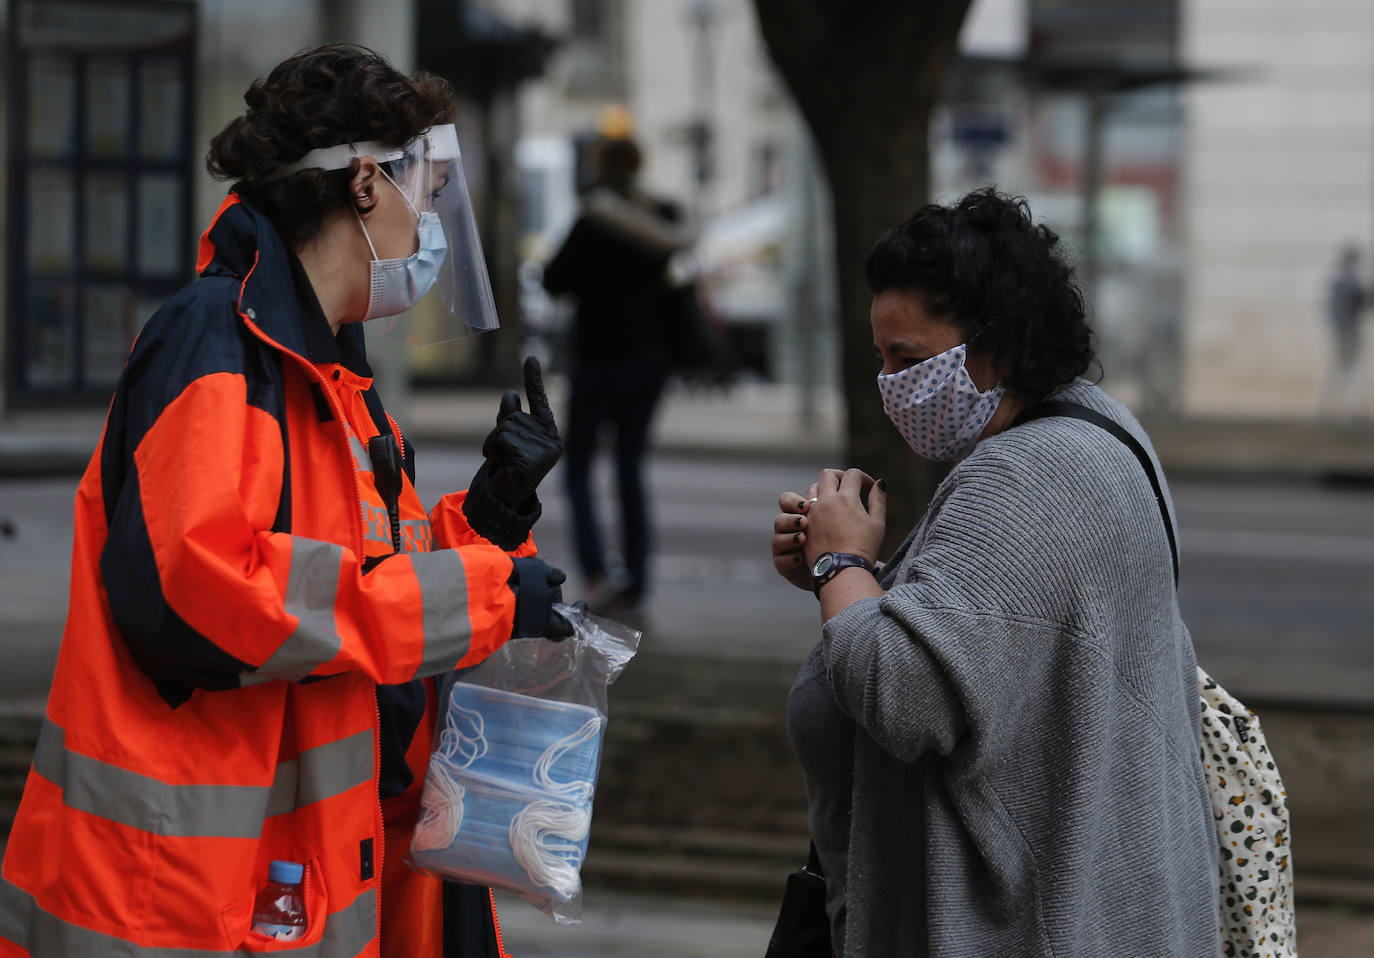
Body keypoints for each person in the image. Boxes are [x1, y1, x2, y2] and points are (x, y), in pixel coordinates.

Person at [0, 44, 569, 957]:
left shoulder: (325, 366)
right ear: (366, 185)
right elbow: (206, 590)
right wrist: (485, 592)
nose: (430, 220)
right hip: (176, 897)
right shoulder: (216, 343)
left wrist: (491, 519)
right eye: (425, 192)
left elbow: (358, 580)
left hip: (281, 876)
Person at [770, 188, 1218, 956]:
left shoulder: (1023, 479)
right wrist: (838, 575)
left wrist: (841, 563)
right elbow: (995, 643)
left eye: (908, 359)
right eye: (880, 360)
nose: (890, 386)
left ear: (996, 347)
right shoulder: (1103, 430)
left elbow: (905, 696)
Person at [541, 131, 695, 615]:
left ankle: (597, 572)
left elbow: (552, 280)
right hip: (647, 363)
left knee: (581, 470)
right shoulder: (661, 220)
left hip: (596, 361)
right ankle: (637, 580)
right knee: (630, 469)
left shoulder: (593, 221)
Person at [1321, 243, 1368, 417]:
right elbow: (1362, 300)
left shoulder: (1336, 279)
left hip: (1341, 331)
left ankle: (1329, 407)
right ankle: (1354, 409)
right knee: (1354, 370)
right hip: (1349, 331)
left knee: (1338, 369)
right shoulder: (1349, 279)